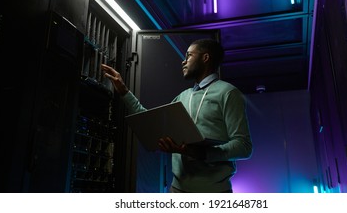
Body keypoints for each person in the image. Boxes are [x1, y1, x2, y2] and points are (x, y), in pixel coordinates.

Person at [101, 38, 252, 193]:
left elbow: (244, 146)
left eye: (189, 56)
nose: (183, 61)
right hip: (177, 191)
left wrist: (202, 153)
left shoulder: (228, 93)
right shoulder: (183, 97)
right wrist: (123, 91)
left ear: (205, 58)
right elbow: (151, 123)